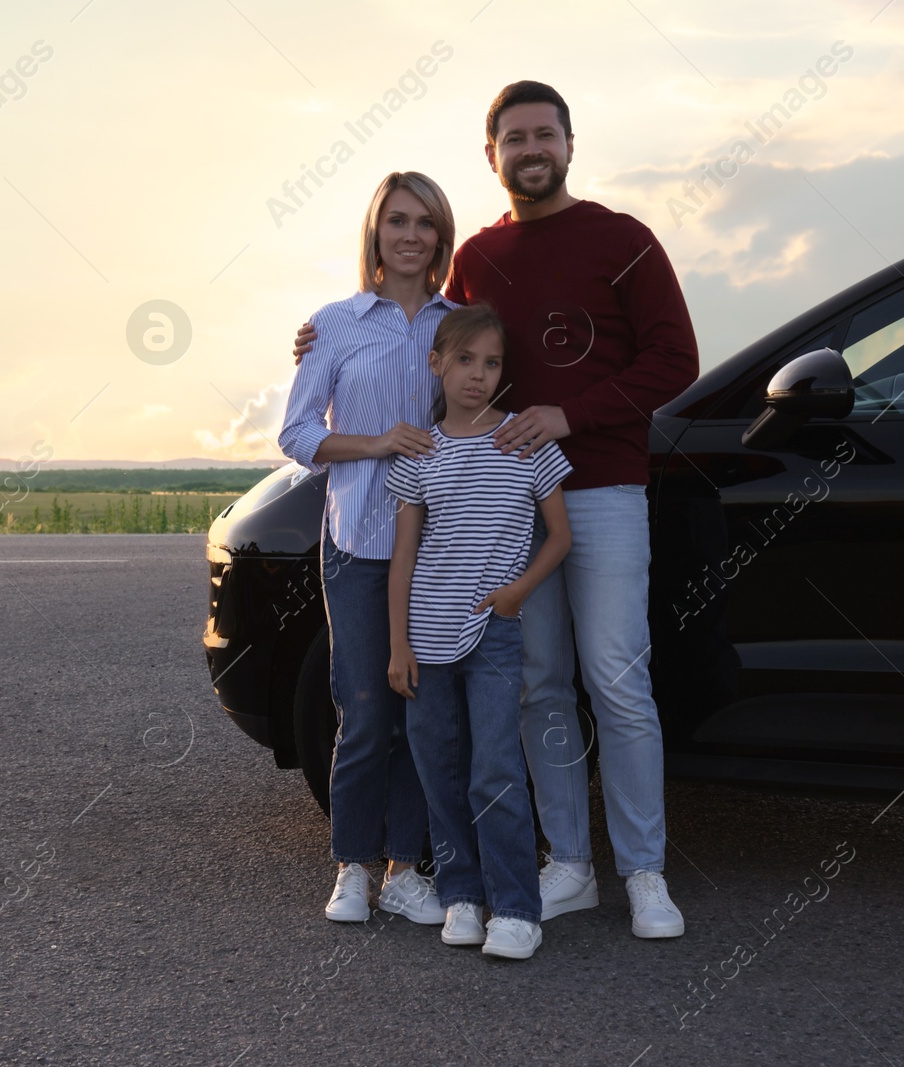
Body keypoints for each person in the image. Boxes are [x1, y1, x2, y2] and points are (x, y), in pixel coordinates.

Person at [295, 82, 699, 938]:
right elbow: (430, 337)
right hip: (502, 507)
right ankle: (571, 865)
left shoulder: (625, 240)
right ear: (492, 156)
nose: (530, 148)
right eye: (513, 137)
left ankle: (647, 872)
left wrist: (572, 414)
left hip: (603, 490)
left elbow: (677, 358)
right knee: (540, 686)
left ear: (569, 143)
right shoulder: (478, 257)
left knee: (619, 679)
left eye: (543, 133)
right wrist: (319, 335)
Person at [278, 171, 458, 926]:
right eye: (396, 221)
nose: (410, 234)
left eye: (425, 222)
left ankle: (403, 870)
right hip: (358, 545)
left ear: (442, 236)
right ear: (375, 232)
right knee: (364, 711)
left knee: (423, 715)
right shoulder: (337, 323)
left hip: (441, 552)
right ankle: (351, 865)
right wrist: (379, 443)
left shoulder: (461, 324)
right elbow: (296, 434)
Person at [386, 304, 572, 961]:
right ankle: (462, 895)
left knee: (494, 768)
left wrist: (517, 592)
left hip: (491, 632)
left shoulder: (524, 443)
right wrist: (398, 644)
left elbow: (561, 535)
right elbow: (404, 555)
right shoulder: (419, 454)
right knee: (440, 768)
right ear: (436, 364)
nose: (478, 375)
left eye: (491, 363)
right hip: (425, 640)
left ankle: (517, 908)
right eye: (464, 360)